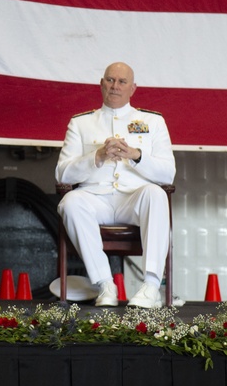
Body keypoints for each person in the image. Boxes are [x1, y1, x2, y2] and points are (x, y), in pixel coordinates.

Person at [54, 62, 176, 308]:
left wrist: (136, 155)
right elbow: (62, 174)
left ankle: (151, 286)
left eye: (122, 82)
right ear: (101, 84)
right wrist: (96, 157)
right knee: (70, 202)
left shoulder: (152, 122)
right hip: (95, 198)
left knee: (156, 193)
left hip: (133, 199)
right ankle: (104, 284)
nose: (115, 86)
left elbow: (168, 174)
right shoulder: (81, 123)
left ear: (133, 88)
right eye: (110, 80)